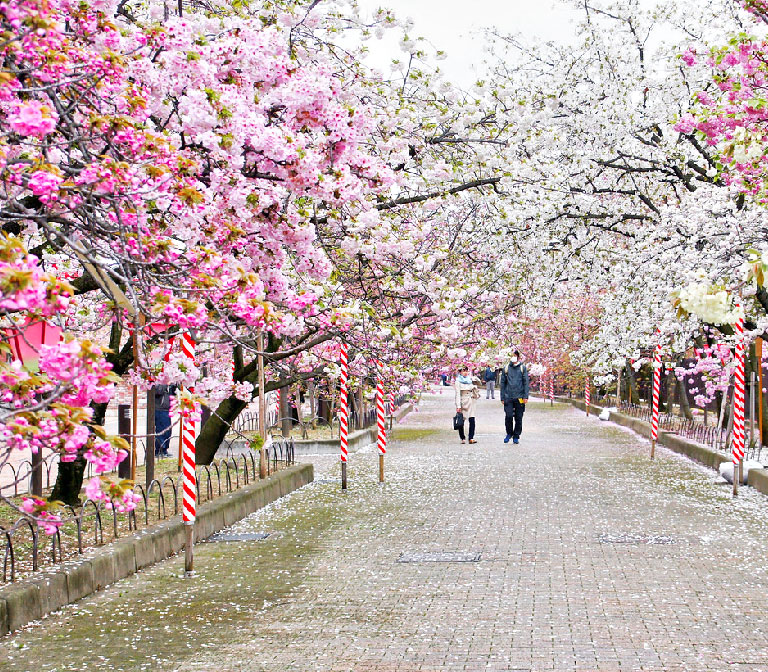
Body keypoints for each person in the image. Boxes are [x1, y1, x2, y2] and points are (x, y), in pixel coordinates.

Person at [499, 351, 529, 444]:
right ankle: (509, 433)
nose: (513, 357)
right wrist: (502, 397)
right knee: (508, 416)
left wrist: (525, 396)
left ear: (518, 357)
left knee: (519, 417)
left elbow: (525, 383)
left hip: (519, 396)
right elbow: (502, 383)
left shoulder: (522, 368)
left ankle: (516, 435)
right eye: (511, 356)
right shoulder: (506, 368)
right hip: (508, 396)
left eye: (515, 356)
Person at [454, 366, 480, 444]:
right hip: (463, 401)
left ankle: (471, 437)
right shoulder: (458, 381)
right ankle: (462, 437)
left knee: (472, 419)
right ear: (460, 372)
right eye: (463, 371)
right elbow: (457, 394)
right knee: (461, 420)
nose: (465, 372)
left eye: (466, 371)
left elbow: (478, 384)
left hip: (471, 400)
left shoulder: (470, 380)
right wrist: (458, 406)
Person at [154, 384, 176, 458]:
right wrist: (166, 384)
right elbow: (158, 391)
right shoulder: (158, 381)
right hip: (159, 409)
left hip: (167, 409)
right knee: (161, 430)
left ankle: (165, 449)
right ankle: (159, 450)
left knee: (168, 431)